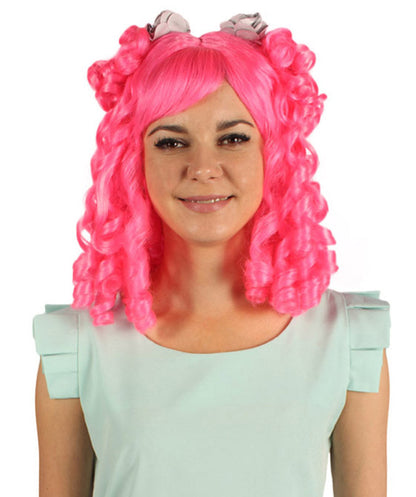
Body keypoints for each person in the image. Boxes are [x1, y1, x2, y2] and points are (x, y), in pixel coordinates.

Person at [33, 10, 391, 497]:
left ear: (273, 154)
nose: (203, 167)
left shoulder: (346, 340)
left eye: (234, 138)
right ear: (135, 162)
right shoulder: (79, 348)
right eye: (171, 142)